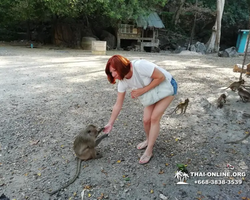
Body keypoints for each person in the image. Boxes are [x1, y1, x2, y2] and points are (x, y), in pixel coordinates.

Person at [103, 55, 178, 164]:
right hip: (152, 92)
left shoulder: (140, 66)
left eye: (115, 70)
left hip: (167, 86)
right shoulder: (122, 81)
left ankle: (149, 150)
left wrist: (141, 91)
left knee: (154, 118)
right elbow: (118, 104)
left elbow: (161, 77)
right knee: (146, 120)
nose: (113, 74)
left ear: (122, 67)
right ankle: (148, 139)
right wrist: (110, 123)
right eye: (111, 72)